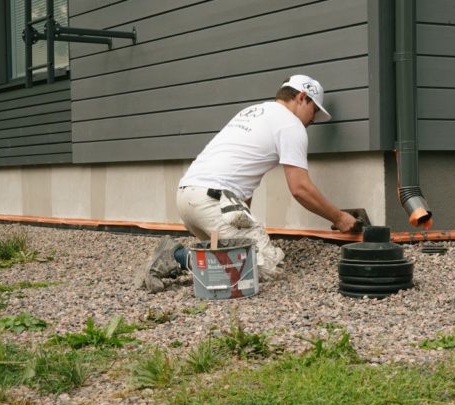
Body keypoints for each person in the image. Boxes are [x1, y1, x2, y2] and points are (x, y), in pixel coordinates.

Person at [135, 75, 358, 292]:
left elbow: (242, 181)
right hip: (212, 202)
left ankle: (209, 258)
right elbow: (300, 188)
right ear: (302, 97)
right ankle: (177, 256)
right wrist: (339, 218)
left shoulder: (253, 112)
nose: (312, 120)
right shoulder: (291, 124)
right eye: (314, 110)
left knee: (233, 259)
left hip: (188, 197)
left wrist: (244, 228)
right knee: (268, 269)